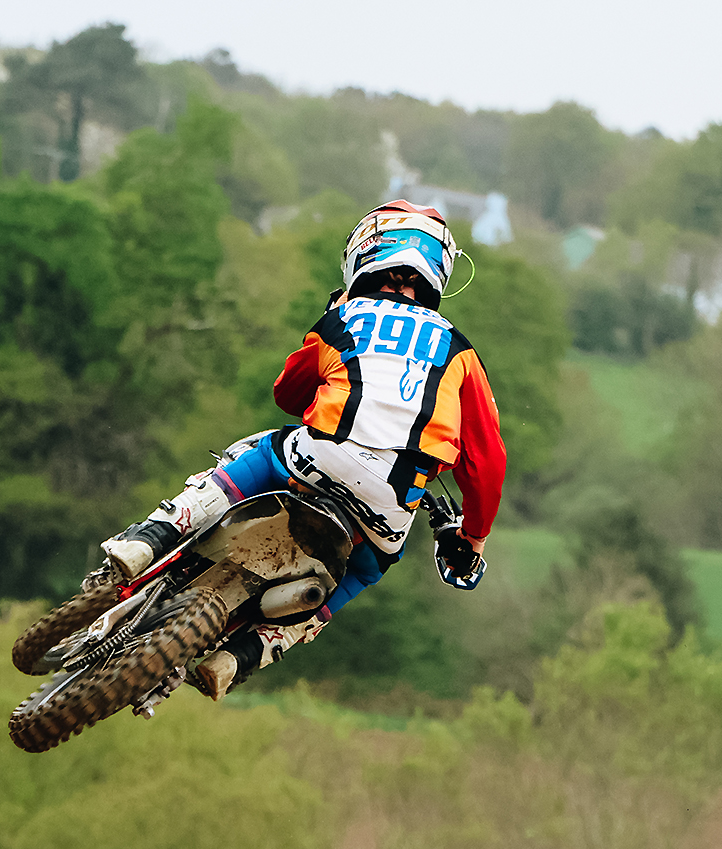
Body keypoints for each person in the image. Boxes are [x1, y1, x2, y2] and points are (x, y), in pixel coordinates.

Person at [98, 201, 505, 698]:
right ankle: (244, 656)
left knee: (265, 451)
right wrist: (474, 538)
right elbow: (487, 461)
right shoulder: (461, 351)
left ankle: (153, 536)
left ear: (366, 254)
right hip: (389, 505)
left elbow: (288, 395)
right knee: (365, 571)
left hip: (317, 460)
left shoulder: (345, 317)